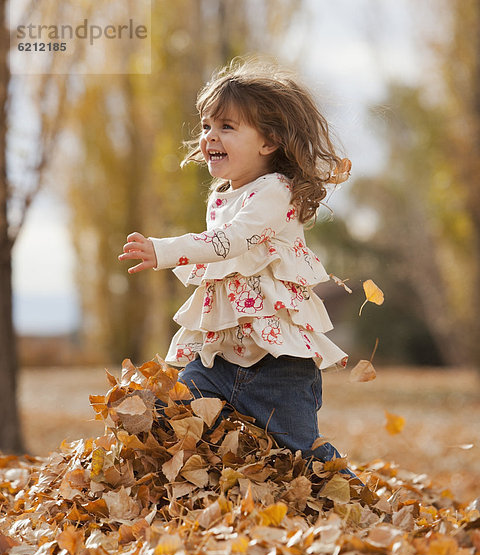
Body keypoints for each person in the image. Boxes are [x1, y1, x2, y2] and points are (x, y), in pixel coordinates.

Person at [118, 57, 354, 473]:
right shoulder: (222, 196)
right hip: (218, 362)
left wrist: (165, 249)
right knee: (164, 413)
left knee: (304, 456)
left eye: (227, 127)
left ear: (269, 142)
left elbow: (232, 242)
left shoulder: (275, 191)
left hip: (278, 367)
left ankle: (360, 504)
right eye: (207, 126)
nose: (210, 136)